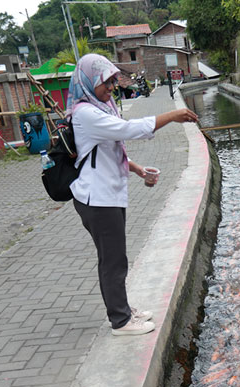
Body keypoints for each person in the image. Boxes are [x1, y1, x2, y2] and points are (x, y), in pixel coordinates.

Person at [66, 54, 198, 336]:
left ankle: (123, 308)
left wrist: (136, 169)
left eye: (114, 81)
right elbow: (127, 130)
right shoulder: (85, 113)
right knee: (112, 260)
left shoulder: (100, 106)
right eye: (106, 82)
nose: (111, 87)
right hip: (97, 199)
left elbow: (109, 148)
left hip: (108, 196)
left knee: (116, 258)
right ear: (89, 81)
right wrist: (172, 115)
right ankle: (121, 321)